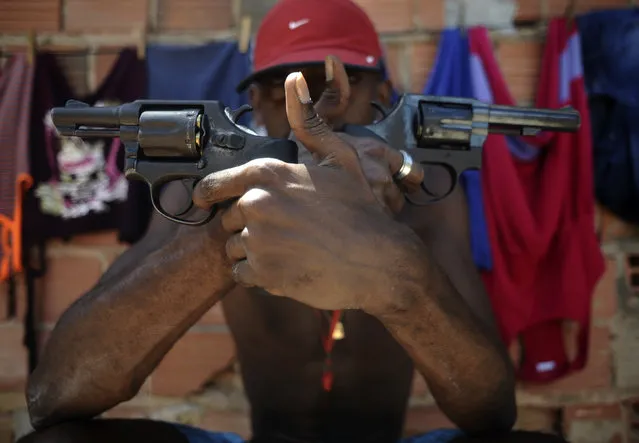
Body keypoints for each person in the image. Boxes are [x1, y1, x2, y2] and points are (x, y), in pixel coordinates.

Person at [20, 0, 523, 442]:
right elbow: (54, 395)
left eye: (338, 84)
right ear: (257, 100)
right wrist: (227, 234)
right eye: (289, 88)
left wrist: (395, 264)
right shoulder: (201, 190)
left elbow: (492, 406)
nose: (313, 113)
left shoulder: (425, 197)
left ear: (380, 93)